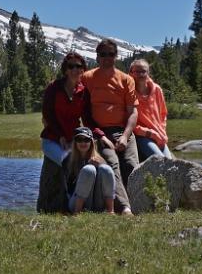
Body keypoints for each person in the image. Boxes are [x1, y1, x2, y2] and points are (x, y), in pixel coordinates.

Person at [81, 38, 138, 215]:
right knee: (111, 163)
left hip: (123, 131)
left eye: (111, 54)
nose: (107, 58)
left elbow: (133, 113)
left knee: (131, 164)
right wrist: (101, 136)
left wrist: (125, 136)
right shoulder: (87, 78)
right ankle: (125, 208)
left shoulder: (126, 80)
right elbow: (85, 113)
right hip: (100, 132)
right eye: (103, 54)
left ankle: (137, 202)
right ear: (97, 57)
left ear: (116, 56)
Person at [37, 52, 93, 212]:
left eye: (79, 66)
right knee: (69, 161)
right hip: (52, 140)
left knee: (84, 165)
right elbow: (48, 115)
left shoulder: (83, 91)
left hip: (72, 140)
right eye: (71, 66)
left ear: (83, 70)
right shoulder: (54, 88)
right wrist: (60, 136)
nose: (75, 69)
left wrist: (97, 136)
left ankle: (78, 204)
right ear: (65, 70)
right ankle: (72, 204)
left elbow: (87, 118)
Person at [130, 59, 174, 160]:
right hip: (141, 136)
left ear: (148, 72)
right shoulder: (129, 92)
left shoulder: (156, 89)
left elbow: (163, 114)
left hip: (159, 135)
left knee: (170, 163)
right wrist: (150, 133)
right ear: (131, 73)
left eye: (143, 71)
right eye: (137, 71)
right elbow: (128, 120)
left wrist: (162, 132)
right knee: (161, 161)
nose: (140, 74)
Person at [64, 126, 115, 213]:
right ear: (75, 142)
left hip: (97, 202)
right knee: (89, 170)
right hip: (76, 201)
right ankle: (77, 213)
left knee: (106, 169)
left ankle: (111, 211)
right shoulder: (68, 159)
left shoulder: (99, 158)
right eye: (79, 139)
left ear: (91, 142)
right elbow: (69, 187)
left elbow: (107, 184)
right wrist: (87, 166)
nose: (83, 143)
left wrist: (100, 166)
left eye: (86, 140)